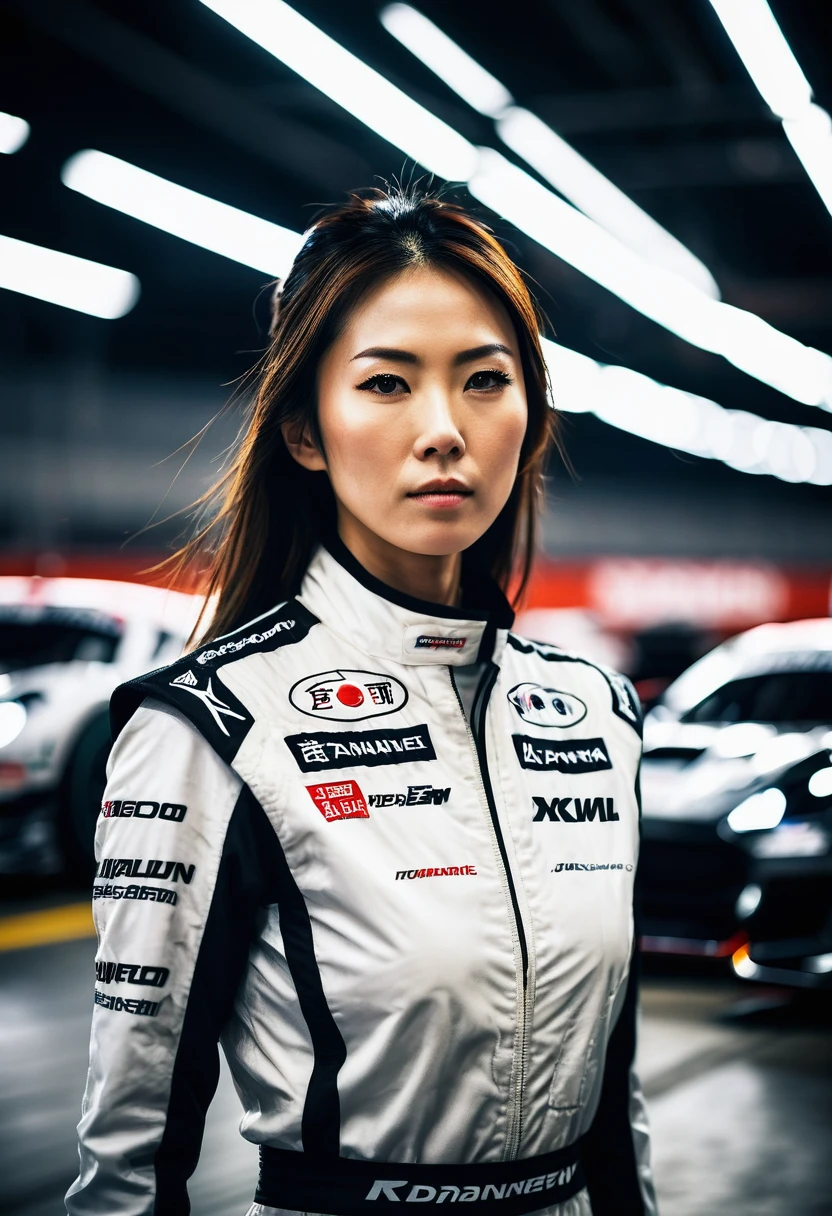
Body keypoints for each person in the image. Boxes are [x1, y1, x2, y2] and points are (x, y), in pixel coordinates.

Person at [66, 186, 657, 1216]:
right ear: (304, 430)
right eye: (387, 383)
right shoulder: (209, 725)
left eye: (484, 379)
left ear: (528, 413)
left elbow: (614, 1103)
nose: (444, 430)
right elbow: (128, 1154)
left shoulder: (596, 715)